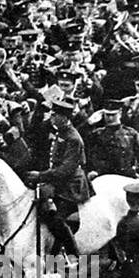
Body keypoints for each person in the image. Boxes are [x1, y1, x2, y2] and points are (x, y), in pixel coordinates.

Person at [23, 99, 90, 258]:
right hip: (60, 181)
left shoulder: (73, 138)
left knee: (55, 218)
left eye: (55, 114)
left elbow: (65, 170)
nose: (51, 117)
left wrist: (40, 176)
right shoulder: (61, 132)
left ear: (64, 117)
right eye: (52, 113)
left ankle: (73, 253)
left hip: (71, 185)